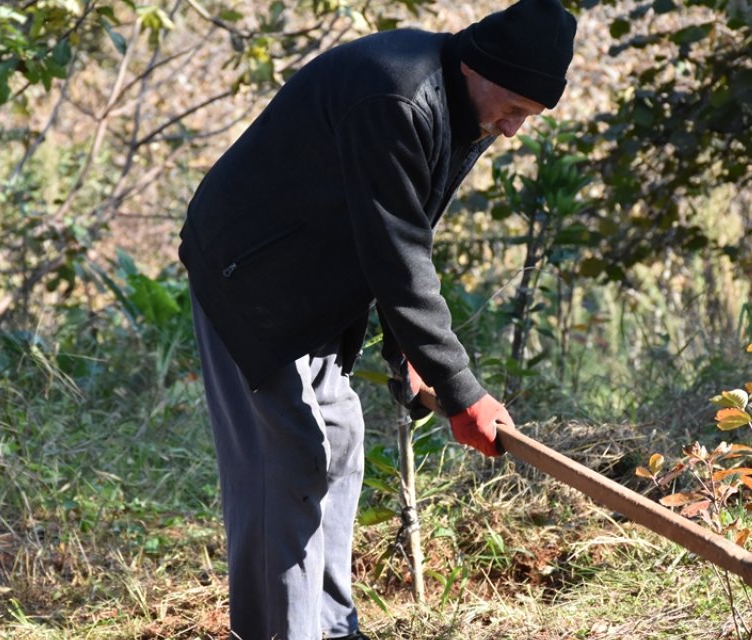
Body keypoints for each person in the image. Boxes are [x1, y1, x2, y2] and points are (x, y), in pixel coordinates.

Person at [177, 0, 576, 637]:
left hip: (317, 280)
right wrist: (461, 389)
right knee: (287, 459)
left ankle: (332, 629)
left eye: (529, 116)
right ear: (479, 66)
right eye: (517, 109)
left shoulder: (462, 110)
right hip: (246, 274)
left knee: (339, 442)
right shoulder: (398, 97)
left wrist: (412, 354)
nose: (513, 131)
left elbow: (403, 230)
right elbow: (396, 252)